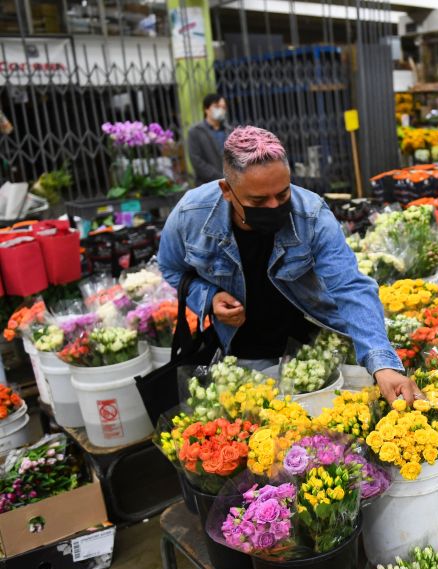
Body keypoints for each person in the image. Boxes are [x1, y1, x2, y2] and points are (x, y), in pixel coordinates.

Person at [158, 126, 420, 403]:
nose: (274, 206)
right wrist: (209, 298)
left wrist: (382, 364)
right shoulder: (192, 215)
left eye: (283, 195)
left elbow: (351, 287)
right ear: (226, 190)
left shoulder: (312, 214)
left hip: (309, 342)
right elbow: (171, 268)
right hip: (242, 347)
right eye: (258, 200)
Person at [188, 93, 232, 185]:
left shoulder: (229, 131)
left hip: (231, 185)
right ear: (206, 109)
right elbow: (196, 161)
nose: (221, 110)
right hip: (207, 185)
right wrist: (220, 178)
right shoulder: (195, 131)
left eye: (223, 107)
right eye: (217, 106)